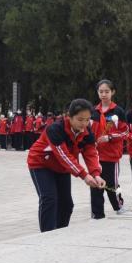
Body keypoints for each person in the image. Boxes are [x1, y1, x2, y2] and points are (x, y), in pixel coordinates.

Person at [27, 99, 105, 232]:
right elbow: (63, 155)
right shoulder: (55, 129)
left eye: (87, 120)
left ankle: (60, 232)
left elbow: (91, 152)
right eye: (80, 119)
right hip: (41, 164)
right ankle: (47, 235)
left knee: (66, 204)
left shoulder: (86, 131)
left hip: (62, 168)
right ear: (69, 116)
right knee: (49, 199)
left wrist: (96, 174)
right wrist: (84, 175)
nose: (84, 124)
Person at [90, 79, 128, 219]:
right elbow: (88, 131)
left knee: (112, 184)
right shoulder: (93, 111)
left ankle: (118, 205)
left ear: (113, 92)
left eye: (107, 91)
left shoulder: (118, 111)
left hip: (112, 155)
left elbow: (125, 132)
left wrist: (110, 137)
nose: (104, 94)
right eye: (101, 91)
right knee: (95, 184)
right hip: (95, 155)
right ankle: (97, 213)